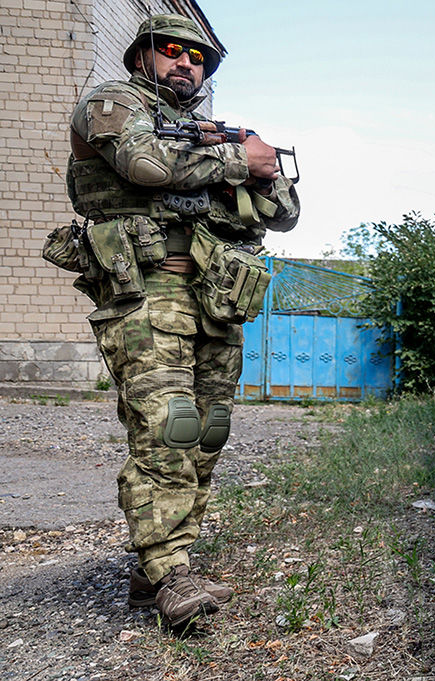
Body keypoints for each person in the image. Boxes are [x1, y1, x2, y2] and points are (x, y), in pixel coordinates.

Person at [50, 13, 300, 627]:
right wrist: (241, 163)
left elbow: (284, 210)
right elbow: (148, 168)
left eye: (200, 59)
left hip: (216, 297)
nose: (187, 63)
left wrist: (252, 164)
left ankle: (156, 568)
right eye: (172, 51)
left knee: (207, 431)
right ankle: (171, 572)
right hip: (146, 290)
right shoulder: (113, 104)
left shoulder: (210, 134)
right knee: (168, 427)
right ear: (143, 57)